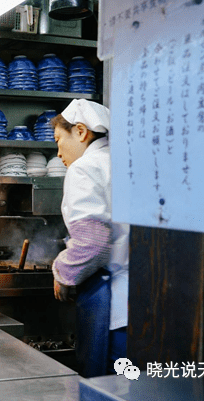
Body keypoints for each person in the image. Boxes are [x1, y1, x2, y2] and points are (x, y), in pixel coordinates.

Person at [50, 99, 130, 378]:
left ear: (81, 132)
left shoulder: (85, 168)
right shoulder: (124, 162)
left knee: (108, 389)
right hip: (141, 304)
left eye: (59, 139)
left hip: (112, 309)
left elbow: (93, 243)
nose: (58, 151)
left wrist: (62, 273)